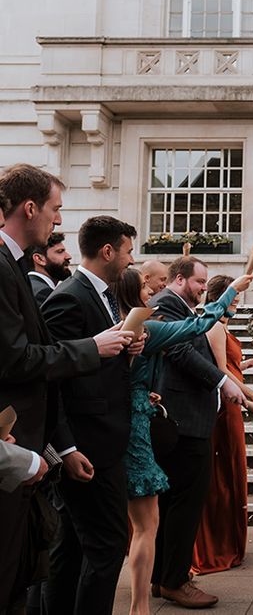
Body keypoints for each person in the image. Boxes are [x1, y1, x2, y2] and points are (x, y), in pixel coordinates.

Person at [0, 165, 131, 612]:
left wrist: (59, 447)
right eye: (55, 210)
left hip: (44, 447)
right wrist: (93, 348)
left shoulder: (16, 265)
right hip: (19, 447)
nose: (59, 222)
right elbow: (20, 359)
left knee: (48, 560)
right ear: (30, 207)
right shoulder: (10, 269)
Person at [111, 268, 253, 615]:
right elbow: (190, 336)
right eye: (147, 287)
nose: (153, 290)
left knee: (161, 512)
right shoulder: (152, 318)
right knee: (166, 512)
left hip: (153, 412)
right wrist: (230, 292)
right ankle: (166, 585)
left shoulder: (133, 324)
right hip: (175, 421)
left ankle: (163, 578)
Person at [41, 216, 143, 615]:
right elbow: (53, 378)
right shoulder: (70, 295)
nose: (130, 260)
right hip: (87, 445)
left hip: (103, 438)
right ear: (108, 251)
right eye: (128, 251)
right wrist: (64, 447)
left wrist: (125, 348)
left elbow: (91, 359)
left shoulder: (102, 293)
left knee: (71, 546)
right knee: (108, 545)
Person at [150, 256, 246, 609]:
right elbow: (177, 350)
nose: (203, 288)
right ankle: (174, 580)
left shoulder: (180, 306)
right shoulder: (164, 306)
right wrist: (222, 381)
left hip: (188, 419)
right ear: (179, 279)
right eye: (199, 282)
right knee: (184, 504)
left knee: (173, 502)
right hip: (182, 421)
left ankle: (163, 577)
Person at [192, 274, 253, 575]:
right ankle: (217, 546)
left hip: (232, 406)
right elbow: (223, 375)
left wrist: (250, 362)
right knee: (224, 476)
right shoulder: (214, 326)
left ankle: (226, 541)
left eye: (236, 299)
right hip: (225, 410)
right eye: (233, 298)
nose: (236, 303)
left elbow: (231, 366)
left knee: (230, 473)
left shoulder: (220, 326)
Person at [28, 232, 72, 305]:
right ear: (39, 259)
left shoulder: (29, 286)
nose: (68, 256)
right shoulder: (42, 293)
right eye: (60, 251)